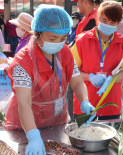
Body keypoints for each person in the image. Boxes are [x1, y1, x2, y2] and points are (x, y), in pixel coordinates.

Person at [4, 4, 94, 154]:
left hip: (55, 122)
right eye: (52, 38)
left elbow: (77, 82)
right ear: (37, 32)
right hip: (24, 128)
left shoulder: (64, 51)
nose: (58, 43)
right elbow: (24, 103)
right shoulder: (23, 62)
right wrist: (33, 136)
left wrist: (85, 101)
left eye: (63, 38)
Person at [72, 1, 123, 120]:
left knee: (109, 137)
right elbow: (72, 71)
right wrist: (90, 77)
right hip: (85, 103)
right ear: (98, 19)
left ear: (118, 23)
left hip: (111, 103)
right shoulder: (81, 40)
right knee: (83, 136)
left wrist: (112, 79)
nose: (108, 24)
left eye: (113, 22)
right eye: (104, 20)